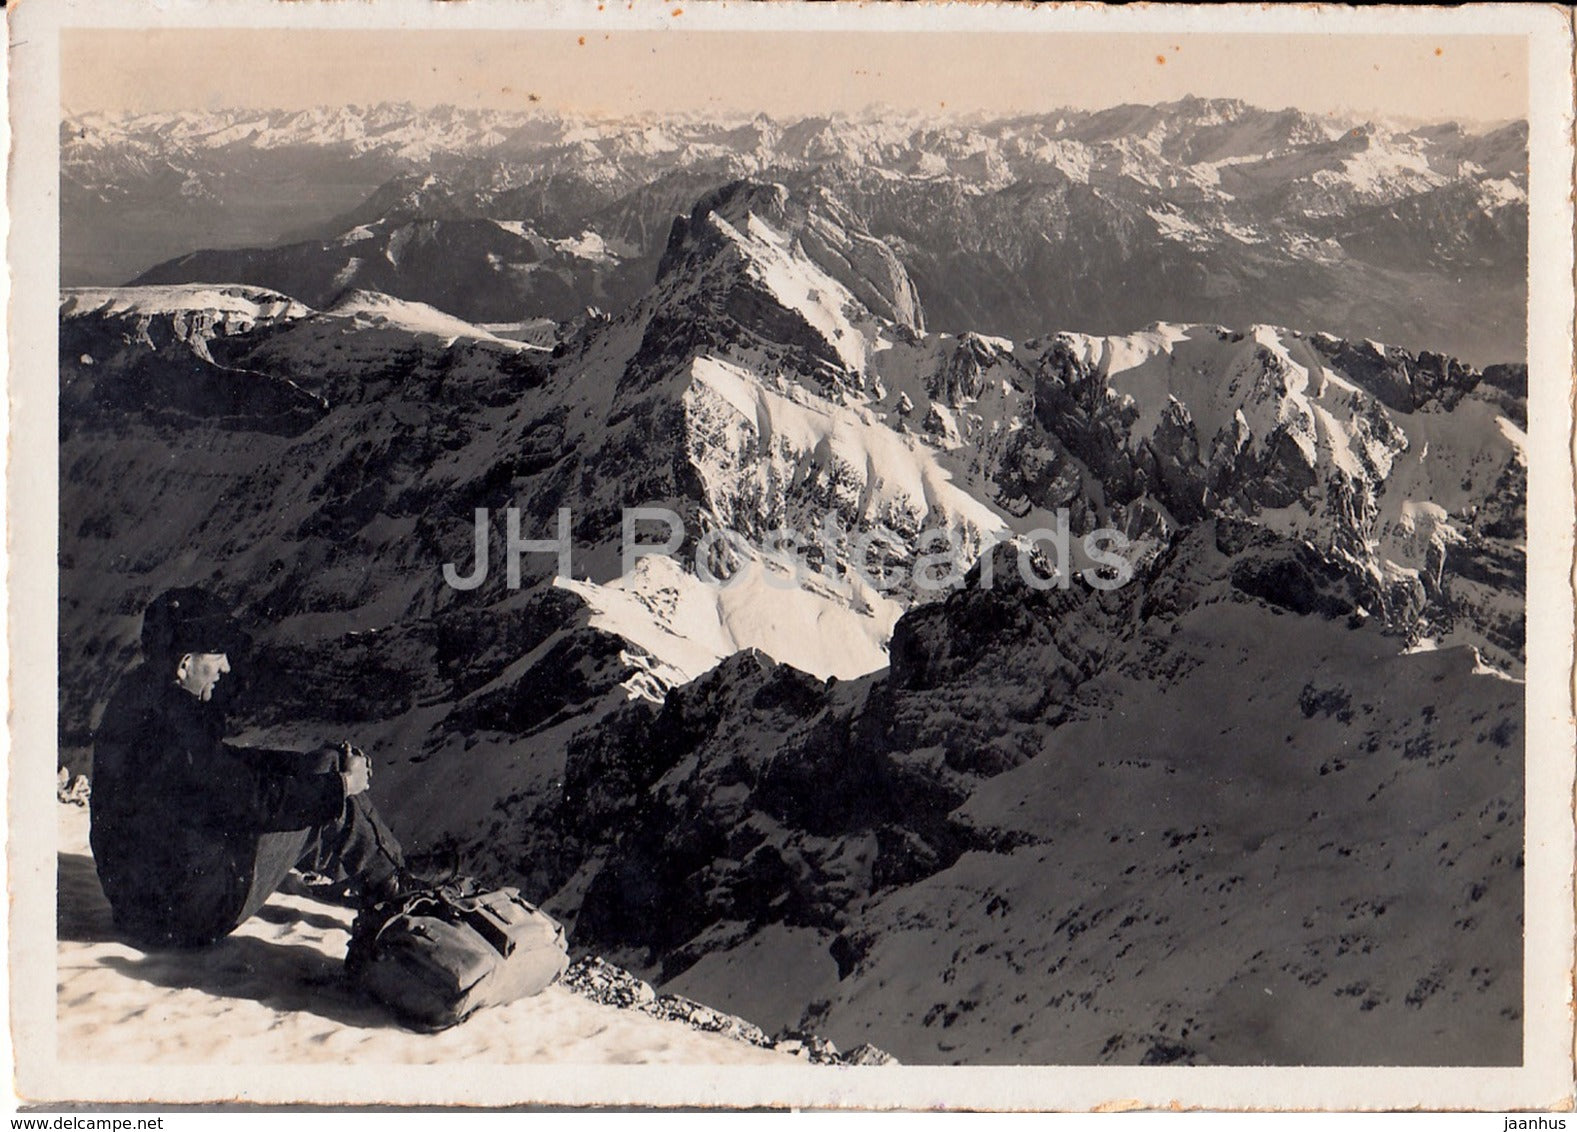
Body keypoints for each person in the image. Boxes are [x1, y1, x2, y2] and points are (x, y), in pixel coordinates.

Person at [89, 587, 417, 949]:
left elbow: (220, 768)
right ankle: (400, 889)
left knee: (316, 779)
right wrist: (342, 783)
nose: (226, 667)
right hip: (193, 914)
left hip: (138, 910)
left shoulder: (138, 701)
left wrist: (297, 765)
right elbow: (258, 803)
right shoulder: (179, 730)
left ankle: (367, 874)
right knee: (328, 778)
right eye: (217, 655)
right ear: (184, 664)